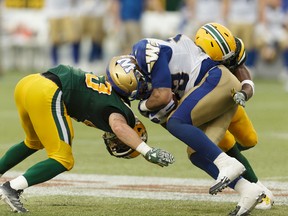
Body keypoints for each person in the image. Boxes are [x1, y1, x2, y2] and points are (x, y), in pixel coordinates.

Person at [106, 31, 265, 215]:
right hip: (214, 96)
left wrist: (144, 106)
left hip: (218, 80)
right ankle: (249, 190)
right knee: (197, 153)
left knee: (177, 123)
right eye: (136, 93)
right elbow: (182, 125)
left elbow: (163, 96)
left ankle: (227, 162)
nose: (142, 91)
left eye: (138, 86)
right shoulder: (150, 90)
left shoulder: (143, 50)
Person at [0, 64, 175, 213]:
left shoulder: (109, 89)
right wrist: (146, 150)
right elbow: (119, 127)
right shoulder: (123, 114)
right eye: (123, 145)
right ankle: (11, 188)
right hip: (47, 91)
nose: (116, 144)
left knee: (34, 142)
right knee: (63, 159)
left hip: (28, 83)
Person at [193, 22, 274, 210]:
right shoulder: (194, 61)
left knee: (250, 140)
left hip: (230, 102)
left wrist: (244, 92)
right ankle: (258, 189)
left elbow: (244, 74)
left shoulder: (234, 48)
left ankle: (225, 157)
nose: (226, 59)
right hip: (208, 107)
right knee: (228, 145)